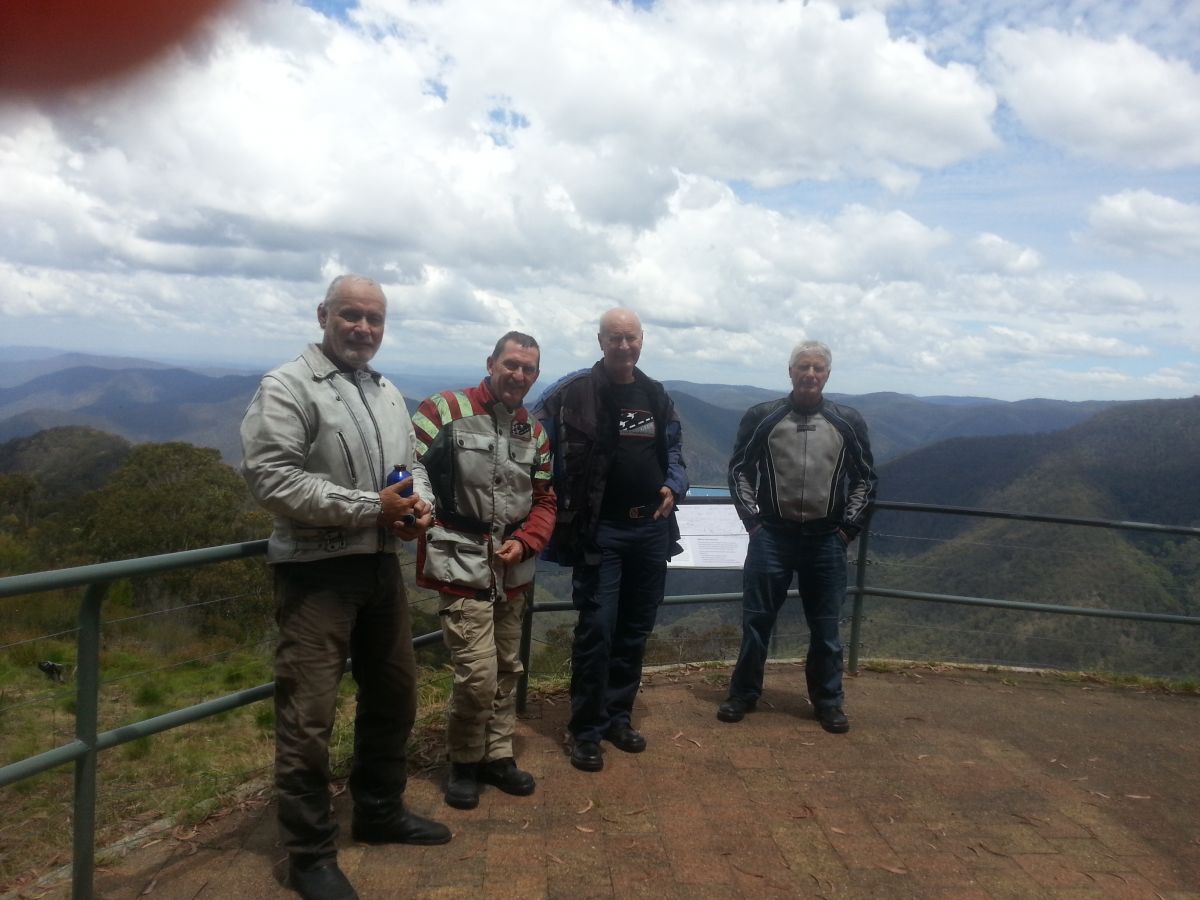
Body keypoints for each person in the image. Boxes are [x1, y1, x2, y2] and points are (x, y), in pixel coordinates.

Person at [240, 274, 451, 900]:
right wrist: (372, 507)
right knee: (308, 717)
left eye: (374, 319)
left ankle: (380, 812)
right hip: (315, 573)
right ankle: (309, 855)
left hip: (381, 567)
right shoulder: (287, 386)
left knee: (395, 694)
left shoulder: (386, 391)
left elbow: (413, 470)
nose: (363, 328)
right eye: (351, 316)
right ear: (323, 315)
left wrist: (422, 509)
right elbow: (272, 478)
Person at [532, 308, 689, 772]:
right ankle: (585, 729)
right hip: (600, 531)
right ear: (600, 341)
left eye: (631, 338)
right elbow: (533, 442)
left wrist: (673, 485)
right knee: (597, 629)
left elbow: (675, 450)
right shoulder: (570, 392)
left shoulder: (655, 395)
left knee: (635, 628)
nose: (624, 346)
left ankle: (617, 716)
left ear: (642, 341)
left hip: (650, 530)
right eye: (614, 338)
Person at [410, 332, 556, 810]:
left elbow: (544, 499)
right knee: (476, 674)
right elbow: (410, 466)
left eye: (528, 370)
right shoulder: (442, 412)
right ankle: (465, 761)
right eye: (511, 364)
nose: (518, 376)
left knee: (508, 667)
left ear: (536, 376)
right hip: (460, 560)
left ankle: (498, 756)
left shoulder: (532, 432)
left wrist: (527, 540)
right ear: (491, 362)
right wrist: (422, 507)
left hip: (513, 569)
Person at [718, 340, 877, 734]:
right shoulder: (763, 417)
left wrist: (846, 531)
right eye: (803, 366)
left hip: (826, 539)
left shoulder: (846, 421)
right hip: (772, 534)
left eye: (817, 368)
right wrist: (753, 522)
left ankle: (828, 702)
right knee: (757, 622)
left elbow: (866, 479)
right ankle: (743, 695)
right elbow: (739, 469)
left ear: (827, 375)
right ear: (790, 372)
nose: (810, 374)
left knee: (826, 628)